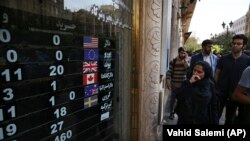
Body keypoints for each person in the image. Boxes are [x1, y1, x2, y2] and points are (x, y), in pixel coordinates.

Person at [214, 34, 250, 124]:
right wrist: (215, 88)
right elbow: (217, 74)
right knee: (214, 117)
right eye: (234, 43)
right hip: (221, 94)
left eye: (239, 44)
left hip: (236, 96)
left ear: (244, 46)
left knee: (230, 120)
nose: (235, 45)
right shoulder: (223, 58)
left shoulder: (248, 60)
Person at [165, 47, 189, 120]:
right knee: (173, 100)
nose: (183, 54)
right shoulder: (173, 61)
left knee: (181, 100)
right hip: (174, 84)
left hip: (183, 85)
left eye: (184, 53)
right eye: (182, 53)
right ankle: (171, 113)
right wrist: (168, 82)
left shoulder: (186, 61)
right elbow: (169, 72)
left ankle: (179, 113)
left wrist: (185, 60)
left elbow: (188, 70)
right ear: (179, 53)